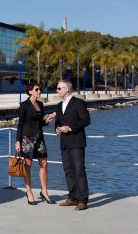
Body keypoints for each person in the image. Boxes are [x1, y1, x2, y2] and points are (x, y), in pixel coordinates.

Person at [16, 82, 56, 205]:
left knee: (44, 163)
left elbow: (41, 123)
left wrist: (48, 119)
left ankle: (44, 192)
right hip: (26, 139)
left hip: (39, 138)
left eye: (40, 89)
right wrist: (17, 141)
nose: (39, 91)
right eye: (37, 89)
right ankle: (29, 192)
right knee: (28, 164)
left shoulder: (40, 104)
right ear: (30, 91)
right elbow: (20, 124)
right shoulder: (24, 106)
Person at [54, 80, 91, 211]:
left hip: (76, 142)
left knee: (79, 171)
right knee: (68, 171)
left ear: (67, 89)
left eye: (59, 88)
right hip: (64, 143)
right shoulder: (58, 106)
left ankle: (83, 200)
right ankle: (73, 197)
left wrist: (70, 128)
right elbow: (58, 122)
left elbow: (86, 120)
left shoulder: (79, 103)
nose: (57, 90)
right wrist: (57, 129)